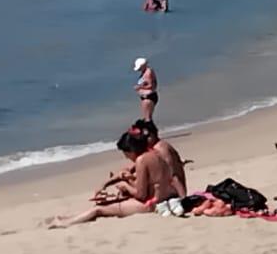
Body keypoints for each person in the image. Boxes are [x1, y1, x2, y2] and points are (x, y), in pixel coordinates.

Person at [48, 130, 178, 228]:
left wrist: (126, 185)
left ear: (131, 150)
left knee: (98, 209)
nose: (127, 157)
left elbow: (141, 195)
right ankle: (71, 218)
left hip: (152, 204)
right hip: (165, 197)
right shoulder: (155, 154)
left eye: (126, 154)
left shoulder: (141, 160)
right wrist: (107, 183)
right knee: (109, 202)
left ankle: (65, 223)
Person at [131, 119, 186, 198]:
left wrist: (183, 198)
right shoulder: (156, 147)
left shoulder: (161, 148)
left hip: (173, 193)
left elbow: (173, 175)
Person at [132, 57, 158, 122]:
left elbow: (151, 86)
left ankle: (150, 131)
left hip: (148, 97)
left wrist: (139, 87)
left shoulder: (147, 73)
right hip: (147, 97)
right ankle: (150, 130)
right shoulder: (146, 71)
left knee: (147, 118)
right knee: (147, 117)